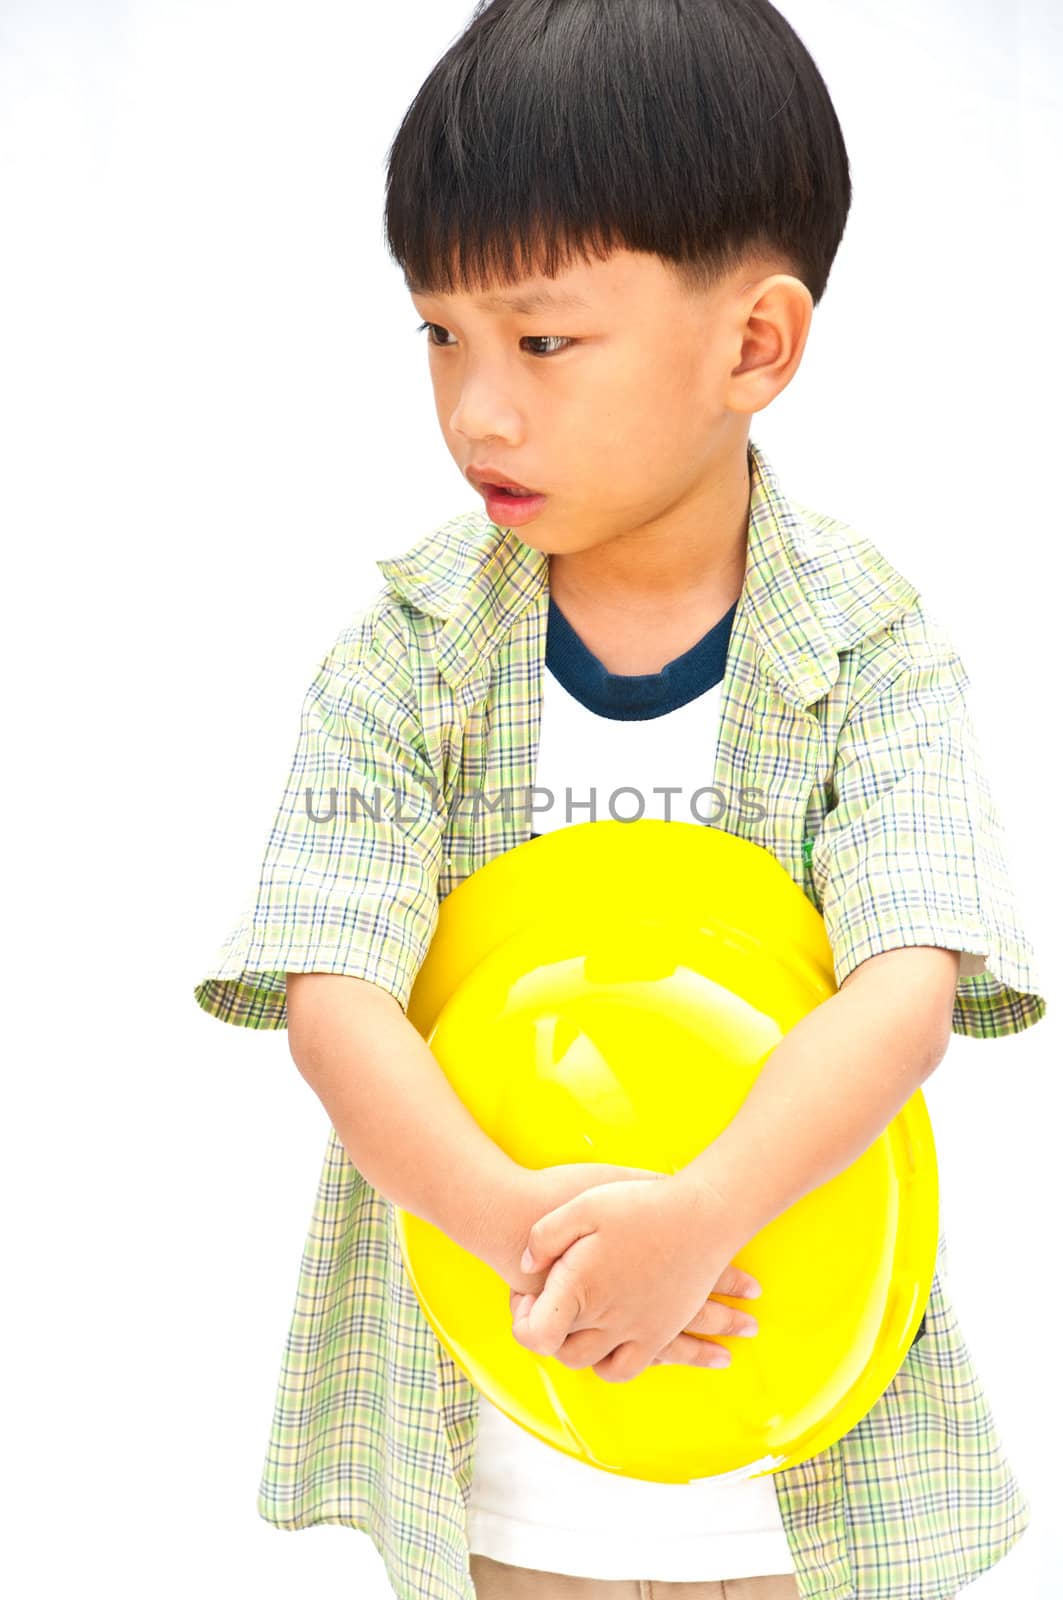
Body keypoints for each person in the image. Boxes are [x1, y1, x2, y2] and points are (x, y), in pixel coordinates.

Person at [192, 2, 1047, 1597]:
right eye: (439, 334)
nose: (476, 410)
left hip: (792, 1452)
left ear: (756, 344)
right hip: (506, 1459)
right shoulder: (407, 657)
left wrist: (702, 1218)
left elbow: (910, 986)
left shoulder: (868, 649)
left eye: (542, 340)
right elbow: (333, 996)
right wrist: (519, 1224)